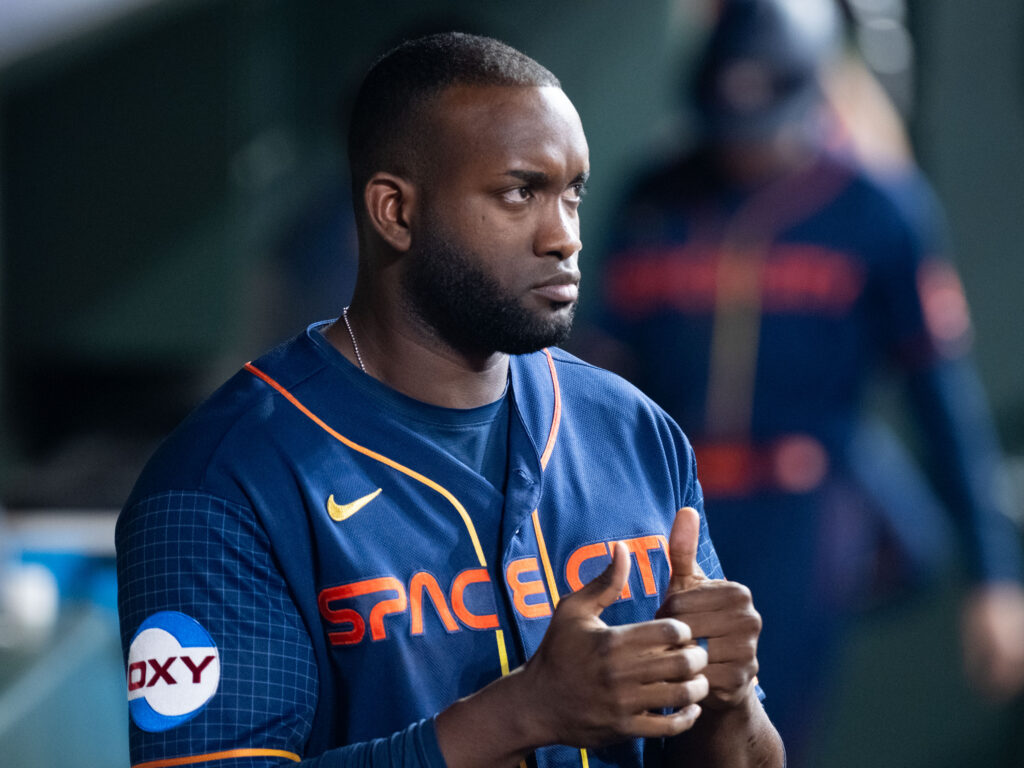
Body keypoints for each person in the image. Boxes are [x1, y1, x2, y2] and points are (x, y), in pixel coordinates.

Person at [116, 32, 785, 768]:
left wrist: (730, 701)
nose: (563, 236)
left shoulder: (632, 430)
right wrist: (522, 711)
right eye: (519, 192)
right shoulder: (224, 480)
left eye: (572, 194)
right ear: (394, 212)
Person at [587, 0, 1024, 763]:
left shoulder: (876, 206)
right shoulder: (655, 195)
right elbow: (597, 379)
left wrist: (995, 577)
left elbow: (941, 401)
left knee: (760, 735)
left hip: (803, 517)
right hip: (670, 511)